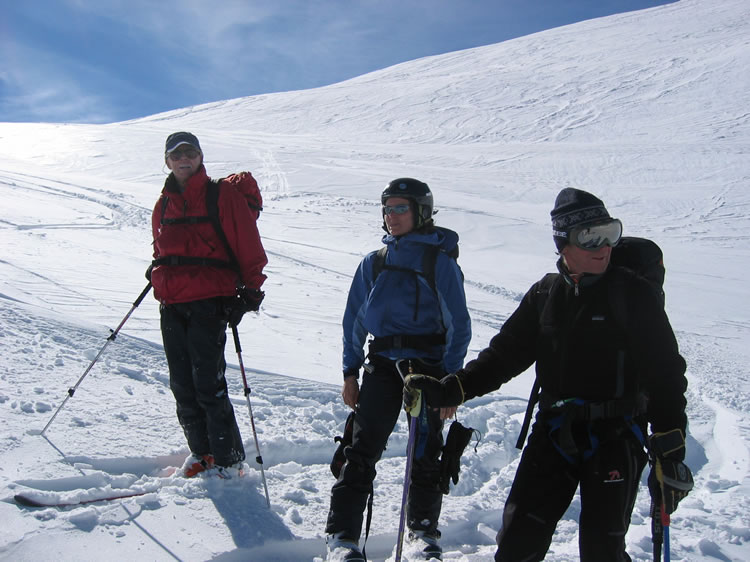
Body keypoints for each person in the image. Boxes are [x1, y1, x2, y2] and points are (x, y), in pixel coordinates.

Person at [405, 188, 692, 561]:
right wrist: (452, 388)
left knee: (602, 550)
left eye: (610, 232)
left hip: (616, 436)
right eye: (590, 236)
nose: (604, 246)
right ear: (563, 243)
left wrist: (670, 448)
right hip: (555, 431)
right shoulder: (545, 294)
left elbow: (665, 372)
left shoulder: (633, 295)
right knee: (517, 544)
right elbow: (504, 356)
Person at [325, 178, 472, 559]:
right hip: (381, 364)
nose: (392, 215)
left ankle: (421, 534)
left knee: (425, 451)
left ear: (421, 212)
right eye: (387, 208)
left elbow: (459, 325)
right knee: (362, 448)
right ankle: (341, 538)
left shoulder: (439, 262)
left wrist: (450, 382)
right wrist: (349, 372)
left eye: (400, 208)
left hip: (427, 369)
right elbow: (354, 320)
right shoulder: (374, 262)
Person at [149, 132, 267, 479]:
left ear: (200, 157)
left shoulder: (221, 194)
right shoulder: (163, 204)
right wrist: (158, 269)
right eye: (176, 154)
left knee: (207, 383)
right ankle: (203, 454)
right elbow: (160, 246)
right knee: (181, 383)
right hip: (171, 303)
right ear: (167, 161)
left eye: (190, 152)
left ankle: (229, 461)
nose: (184, 159)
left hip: (208, 302)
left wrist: (251, 289)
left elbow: (247, 241)